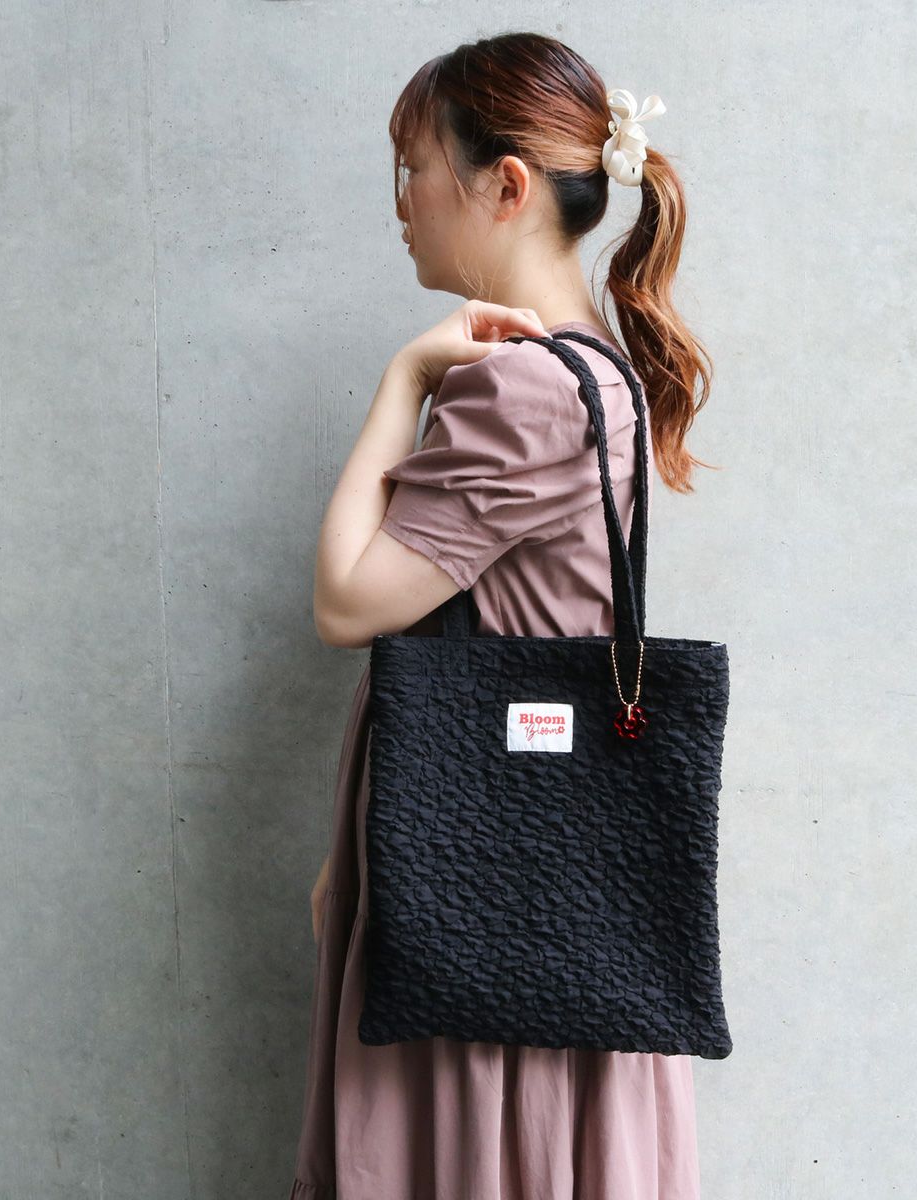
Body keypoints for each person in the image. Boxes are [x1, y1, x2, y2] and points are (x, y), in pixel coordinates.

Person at [289, 30, 717, 1200]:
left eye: (415, 167)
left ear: (507, 185)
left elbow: (346, 601)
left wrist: (405, 380)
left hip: (489, 877)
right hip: (519, 859)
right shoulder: (593, 368)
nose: (402, 202)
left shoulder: (523, 386)